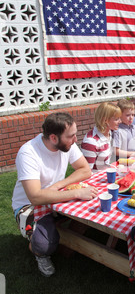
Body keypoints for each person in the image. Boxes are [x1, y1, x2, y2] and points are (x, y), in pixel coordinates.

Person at [12, 112, 98, 277]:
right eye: (71, 136)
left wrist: (58, 185)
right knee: (44, 245)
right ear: (53, 138)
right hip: (29, 206)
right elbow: (35, 197)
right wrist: (77, 192)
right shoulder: (28, 153)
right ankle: (39, 250)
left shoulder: (66, 144)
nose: (75, 140)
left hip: (57, 196)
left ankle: (65, 242)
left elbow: (85, 170)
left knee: (92, 210)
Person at [81, 102, 121, 172]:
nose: (120, 121)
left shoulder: (109, 133)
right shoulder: (91, 142)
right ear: (106, 120)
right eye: (116, 119)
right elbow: (86, 172)